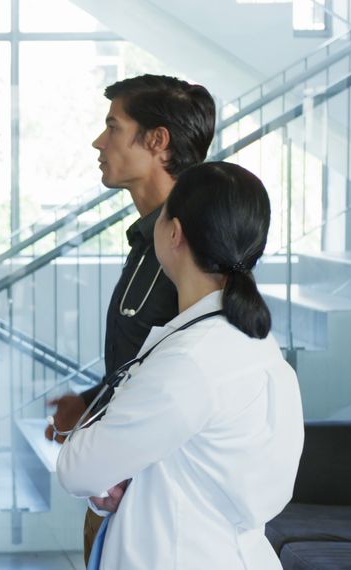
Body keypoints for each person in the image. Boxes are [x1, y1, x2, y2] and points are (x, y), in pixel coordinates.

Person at [55, 161, 305, 569]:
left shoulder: (191, 361)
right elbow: (192, 463)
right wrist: (120, 480)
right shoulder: (250, 343)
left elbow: (76, 468)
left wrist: (105, 471)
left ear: (174, 233)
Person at [43, 74, 216, 561]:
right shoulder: (149, 241)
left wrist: (117, 465)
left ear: (157, 141)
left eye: (113, 127)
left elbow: (194, 377)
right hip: (119, 488)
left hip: (163, 506)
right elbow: (147, 361)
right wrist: (92, 401)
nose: (99, 142)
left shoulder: (196, 251)